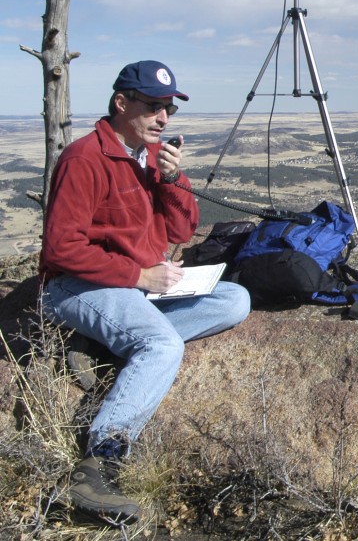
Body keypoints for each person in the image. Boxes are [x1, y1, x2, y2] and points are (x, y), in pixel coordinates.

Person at [39, 60, 251, 524]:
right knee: (161, 342)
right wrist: (138, 276)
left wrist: (175, 181)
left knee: (236, 301)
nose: (164, 118)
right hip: (79, 287)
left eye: (169, 108)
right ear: (121, 103)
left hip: (136, 286)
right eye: (154, 106)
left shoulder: (154, 157)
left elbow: (183, 226)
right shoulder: (83, 158)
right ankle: (99, 463)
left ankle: (106, 340)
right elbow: (60, 248)